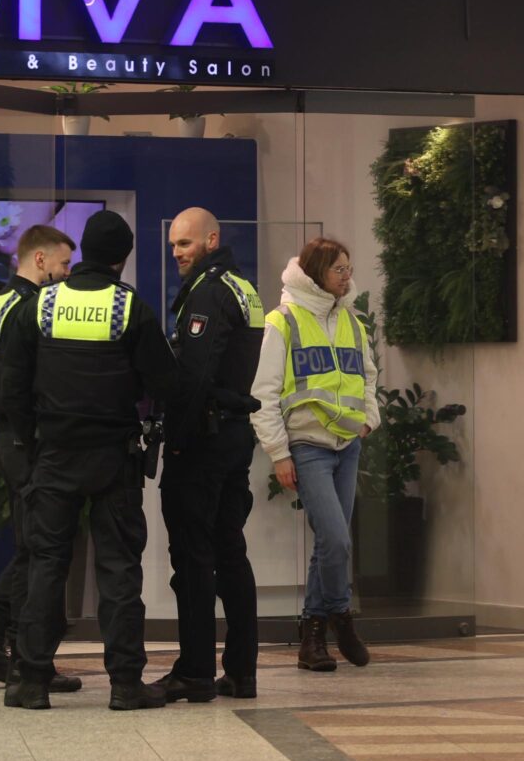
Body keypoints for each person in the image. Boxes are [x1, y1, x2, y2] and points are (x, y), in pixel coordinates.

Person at [0, 209, 176, 711]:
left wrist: (31, 446)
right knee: (118, 571)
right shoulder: (130, 308)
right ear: (122, 257)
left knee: (46, 568)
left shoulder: (41, 305)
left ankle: (30, 680)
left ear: (83, 253)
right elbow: (164, 382)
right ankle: (125, 684)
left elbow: (12, 384)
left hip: (53, 456)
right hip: (113, 460)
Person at [0, 224, 83, 695]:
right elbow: (30, 380)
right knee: (40, 550)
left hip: (7, 438)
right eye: (63, 265)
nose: (66, 274)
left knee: (34, 548)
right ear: (39, 261)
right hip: (28, 441)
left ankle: (22, 654)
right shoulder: (31, 308)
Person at [252, 236, 378, 673]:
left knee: (329, 541)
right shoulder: (282, 321)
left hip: (348, 444)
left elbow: (368, 376)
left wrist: (369, 420)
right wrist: (279, 453)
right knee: (338, 539)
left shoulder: (353, 322)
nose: (347, 277)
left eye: (348, 268)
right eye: (338, 269)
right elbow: (263, 395)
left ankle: (312, 638)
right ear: (315, 273)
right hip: (307, 446)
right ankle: (341, 619)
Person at [157, 208, 268, 703]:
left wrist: (175, 439)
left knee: (195, 560)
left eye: (185, 243)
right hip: (233, 436)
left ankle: (196, 670)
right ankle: (242, 671)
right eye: (174, 245)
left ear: (211, 239)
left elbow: (195, 377)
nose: (178, 252)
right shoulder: (244, 287)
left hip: (204, 440)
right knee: (231, 553)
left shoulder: (207, 291)